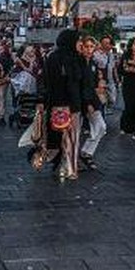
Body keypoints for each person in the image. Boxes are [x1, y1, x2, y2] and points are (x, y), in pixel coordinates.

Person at [40, 29, 82, 182]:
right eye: (78, 41)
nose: (80, 44)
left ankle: (64, 166)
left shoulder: (53, 57)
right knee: (71, 137)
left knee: (62, 136)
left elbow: (46, 81)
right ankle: (69, 168)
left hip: (57, 103)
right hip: (70, 104)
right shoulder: (72, 59)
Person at [78, 36, 106, 170]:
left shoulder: (93, 63)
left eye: (91, 46)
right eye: (87, 46)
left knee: (101, 127)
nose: (89, 49)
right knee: (77, 131)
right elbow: (81, 85)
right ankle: (78, 156)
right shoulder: (79, 63)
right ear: (81, 47)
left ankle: (86, 152)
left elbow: (94, 83)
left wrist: (100, 86)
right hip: (82, 101)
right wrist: (88, 103)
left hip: (93, 99)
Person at [93, 35, 119, 114]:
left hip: (110, 80)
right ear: (101, 43)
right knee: (101, 101)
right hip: (101, 82)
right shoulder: (96, 54)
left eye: (108, 43)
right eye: (105, 43)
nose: (107, 45)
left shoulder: (111, 55)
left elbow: (113, 67)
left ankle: (106, 107)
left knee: (113, 99)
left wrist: (117, 79)